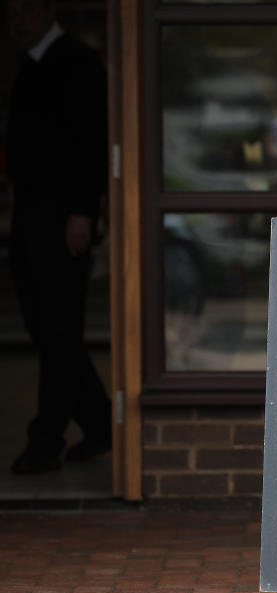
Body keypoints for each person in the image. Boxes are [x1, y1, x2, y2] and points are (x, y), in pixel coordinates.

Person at [5, 0, 111, 473]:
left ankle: (45, 440)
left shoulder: (78, 62)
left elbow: (91, 143)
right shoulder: (30, 65)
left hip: (64, 220)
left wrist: (81, 213)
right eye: (9, 13)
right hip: (30, 216)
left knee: (59, 330)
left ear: (47, 11)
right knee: (49, 329)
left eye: (25, 10)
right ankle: (101, 424)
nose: (16, 20)